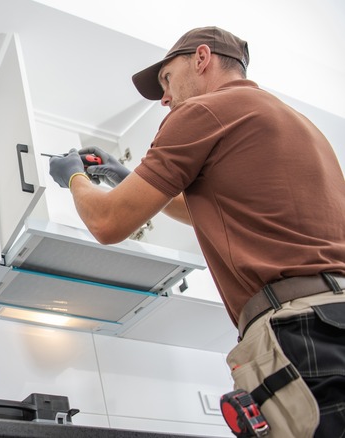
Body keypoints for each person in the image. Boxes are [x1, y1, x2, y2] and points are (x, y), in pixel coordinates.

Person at [49, 27, 345, 437]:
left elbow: (107, 223)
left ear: (201, 58)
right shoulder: (299, 124)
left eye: (167, 80)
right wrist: (124, 175)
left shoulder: (203, 112)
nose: (165, 98)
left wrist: (74, 178)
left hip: (300, 331)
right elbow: (213, 209)